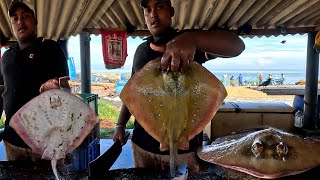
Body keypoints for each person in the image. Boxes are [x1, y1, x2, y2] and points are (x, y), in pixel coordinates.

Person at [112, 0, 245, 173]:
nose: (153, 15)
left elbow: (236, 46)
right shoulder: (141, 52)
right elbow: (132, 94)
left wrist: (192, 39)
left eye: (160, 7)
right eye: (147, 10)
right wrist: (120, 125)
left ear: (171, 11)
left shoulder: (191, 45)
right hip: (143, 146)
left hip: (186, 148)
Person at [0, 0, 70, 161]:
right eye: (15, 18)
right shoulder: (6, 57)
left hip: (45, 143)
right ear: (11, 25)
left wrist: (57, 85)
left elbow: (65, 88)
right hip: (12, 142)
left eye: (25, 16)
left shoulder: (51, 48)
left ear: (35, 21)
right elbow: (1, 93)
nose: (20, 22)